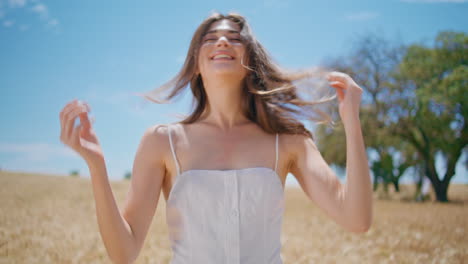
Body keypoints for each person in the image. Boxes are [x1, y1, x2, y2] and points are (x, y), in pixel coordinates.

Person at [59, 12, 372, 264]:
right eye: (210, 39)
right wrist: (97, 167)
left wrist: (352, 122)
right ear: (196, 64)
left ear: (251, 61)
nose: (222, 41)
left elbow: (356, 219)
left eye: (235, 38)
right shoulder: (160, 141)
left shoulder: (289, 142)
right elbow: (124, 253)